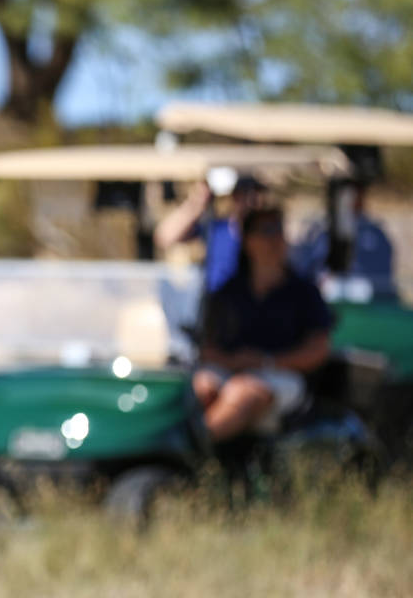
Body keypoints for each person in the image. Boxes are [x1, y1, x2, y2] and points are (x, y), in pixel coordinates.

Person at [194, 206, 333, 441]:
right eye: (267, 230)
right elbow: (207, 347)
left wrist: (266, 362)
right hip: (229, 370)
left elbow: (318, 350)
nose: (276, 238)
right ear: (248, 241)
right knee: (202, 388)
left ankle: (190, 459)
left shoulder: (304, 293)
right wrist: (232, 362)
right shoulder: (229, 292)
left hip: (282, 376)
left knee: (243, 393)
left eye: (280, 230)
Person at [154, 174, 267, 292]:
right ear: (235, 196)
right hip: (220, 302)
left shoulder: (268, 234)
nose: (256, 200)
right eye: (250, 193)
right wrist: (197, 202)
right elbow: (165, 236)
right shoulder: (217, 229)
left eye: (259, 193)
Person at [290, 179, 396, 298]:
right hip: (323, 290)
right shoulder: (317, 230)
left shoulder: (374, 233)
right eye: (346, 195)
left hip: (365, 291)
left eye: (356, 194)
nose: (353, 200)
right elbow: (304, 266)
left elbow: (383, 271)